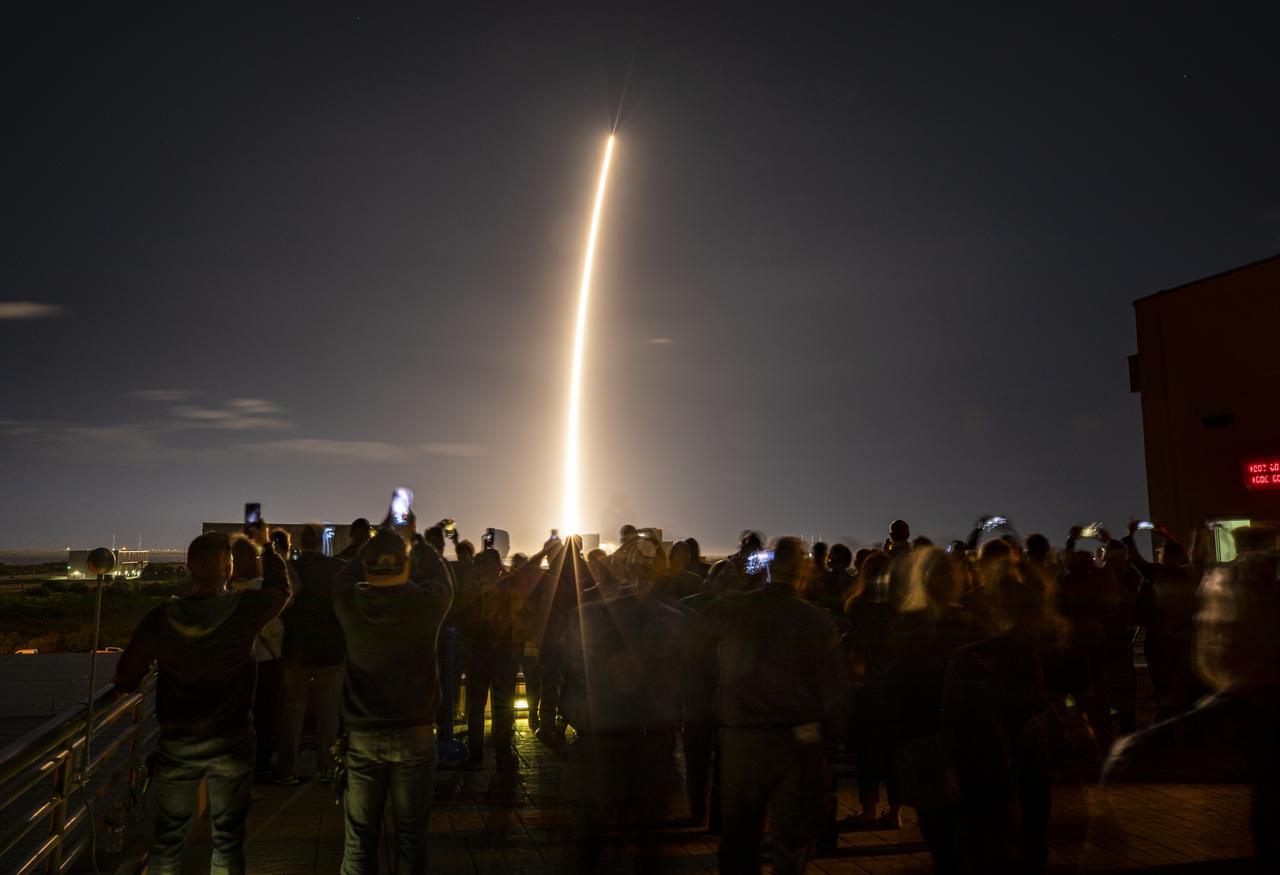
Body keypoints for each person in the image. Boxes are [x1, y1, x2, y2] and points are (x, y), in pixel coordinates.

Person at [112, 531, 289, 875]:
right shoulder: (243, 611)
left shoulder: (163, 616)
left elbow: (128, 673)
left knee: (168, 839)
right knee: (228, 838)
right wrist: (268, 548)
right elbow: (280, 591)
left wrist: (126, 685)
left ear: (189, 567)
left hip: (178, 740)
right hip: (231, 738)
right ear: (228, 569)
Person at [705, 536, 850, 875]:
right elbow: (835, 691)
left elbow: (697, 643)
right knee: (791, 842)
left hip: (742, 737)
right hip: (797, 740)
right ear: (803, 571)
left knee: (740, 837)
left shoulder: (735, 610)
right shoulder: (816, 621)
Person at [561, 533, 691, 870]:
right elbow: (685, 683)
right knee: (647, 846)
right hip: (653, 740)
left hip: (600, 738)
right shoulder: (677, 619)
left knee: (591, 840)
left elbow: (572, 675)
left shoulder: (586, 616)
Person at [332, 525, 453, 875]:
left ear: (367, 566)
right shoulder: (426, 604)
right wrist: (418, 541)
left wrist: (368, 546)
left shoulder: (349, 602)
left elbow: (343, 577)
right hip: (415, 732)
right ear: (406, 565)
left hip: (363, 734)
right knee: (411, 839)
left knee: (359, 841)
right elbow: (442, 578)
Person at [871, 548, 977, 872]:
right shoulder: (973, 625)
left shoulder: (909, 628)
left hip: (924, 735)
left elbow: (894, 687)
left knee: (938, 828)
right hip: (971, 736)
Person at [276, 524, 345, 784]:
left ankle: (287, 770)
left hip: (296, 650)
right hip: (331, 649)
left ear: (300, 542)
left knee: (292, 712)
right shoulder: (337, 569)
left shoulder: (289, 569)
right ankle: (326, 768)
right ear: (320, 541)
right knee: (329, 712)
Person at [228, 536, 288, 781]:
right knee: (265, 717)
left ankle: (238, 768)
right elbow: (283, 593)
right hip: (268, 664)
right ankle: (260, 765)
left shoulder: (226, 593)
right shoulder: (265, 591)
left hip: (236, 666)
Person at [462, 546, 520, 771]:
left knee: (476, 704)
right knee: (503, 703)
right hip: (505, 651)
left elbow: (466, 621)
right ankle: (503, 754)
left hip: (479, 652)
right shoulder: (510, 587)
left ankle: (475, 752)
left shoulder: (473, 590)